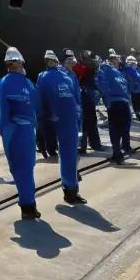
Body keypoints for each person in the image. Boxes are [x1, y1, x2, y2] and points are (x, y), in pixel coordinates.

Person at [37, 51, 86, 204]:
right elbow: (40, 98)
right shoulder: (48, 77)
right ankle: (70, 189)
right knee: (68, 154)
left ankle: (70, 187)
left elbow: (76, 99)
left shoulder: (66, 77)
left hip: (65, 118)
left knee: (69, 154)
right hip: (63, 119)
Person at [0, 48, 41, 219]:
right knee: (27, 168)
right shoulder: (28, 83)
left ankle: (27, 205)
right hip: (28, 130)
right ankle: (29, 203)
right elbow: (35, 107)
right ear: (20, 64)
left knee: (17, 167)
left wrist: (5, 133)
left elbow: (3, 112)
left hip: (14, 131)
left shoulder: (3, 83)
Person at [97, 52, 133, 163]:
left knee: (115, 130)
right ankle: (126, 148)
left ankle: (117, 154)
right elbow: (127, 87)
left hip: (114, 103)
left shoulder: (103, 70)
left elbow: (102, 85)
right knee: (124, 129)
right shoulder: (119, 74)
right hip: (125, 104)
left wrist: (107, 101)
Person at [75, 51, 103, 153]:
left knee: (88, 121)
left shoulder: (90, 69)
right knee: (87, 121)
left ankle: (90, 145)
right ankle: (90, 145)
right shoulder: (83, 68)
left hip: (87, 96)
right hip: (85, 95)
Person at [123, 55, 140, 122]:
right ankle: (139, 116)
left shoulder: (137, 70)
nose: (132, 64)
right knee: (136, 104)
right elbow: (126, 80)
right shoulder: (126, 70)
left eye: (133, 63)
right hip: (134, 90)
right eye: (131, 63)